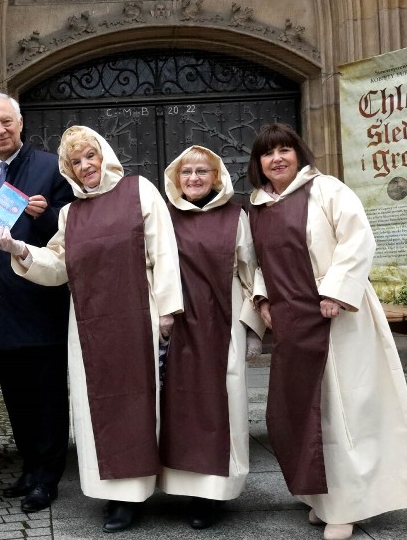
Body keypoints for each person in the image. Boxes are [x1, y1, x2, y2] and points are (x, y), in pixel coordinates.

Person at [246, 123, 407, 540]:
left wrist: (335, 292)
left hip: (338, 318)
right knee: (308, 413)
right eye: (267, 153)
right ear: (258, 164)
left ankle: (350, 504)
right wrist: (262, 301)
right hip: (294, 322)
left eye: (284, 150)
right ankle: (324, 499)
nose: (277, 159)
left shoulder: (327, 190)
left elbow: (357, 241)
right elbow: (260, 263)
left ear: (298, 153)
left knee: (347, 412)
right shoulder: (257, 207)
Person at [0, 125, 183, 533]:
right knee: (95, 405)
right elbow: (59, 265)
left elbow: (164, 250)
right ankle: (113, 494)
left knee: (137, 404)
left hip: (138, 317)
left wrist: (168, 311)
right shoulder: (70, 213)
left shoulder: (140, 192)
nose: (85, 167)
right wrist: (21, 249)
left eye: (90, 157)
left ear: (104, 156)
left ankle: (135, 494)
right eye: (76, 162)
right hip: (88, 327)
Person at [0, 93, 74, 513]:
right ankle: (29, 467)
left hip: (41, 300)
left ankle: (47, 477)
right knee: (15, 393)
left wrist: (43, 215)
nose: (0, 130)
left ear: (20, 123)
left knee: (46, 392)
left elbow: (74, 222)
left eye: (6, 122)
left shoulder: (49, 167)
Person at [158, 145, 264, 529]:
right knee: (179, 406)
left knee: (224, 404)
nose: (194, 179)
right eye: (186, 173)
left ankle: (213, 494)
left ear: (217, 177)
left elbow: (250, 269)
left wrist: (253, 328)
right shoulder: (165, 217)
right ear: (176, 178)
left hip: (224, 322)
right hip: (180, 326)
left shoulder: (236, 216)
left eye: (202, 172)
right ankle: (184, 486)